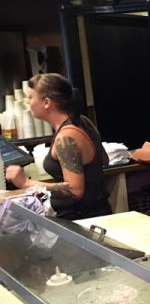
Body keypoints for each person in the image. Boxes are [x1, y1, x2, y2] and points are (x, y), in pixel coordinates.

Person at [6, 73, 111, 220]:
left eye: (30, 97)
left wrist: (25, 182)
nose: (28, 102)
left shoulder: (67, 136)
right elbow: (103, 159)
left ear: (47, 102)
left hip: (83, 219)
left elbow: (75, 190)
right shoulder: (82, 121)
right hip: (95, 212)